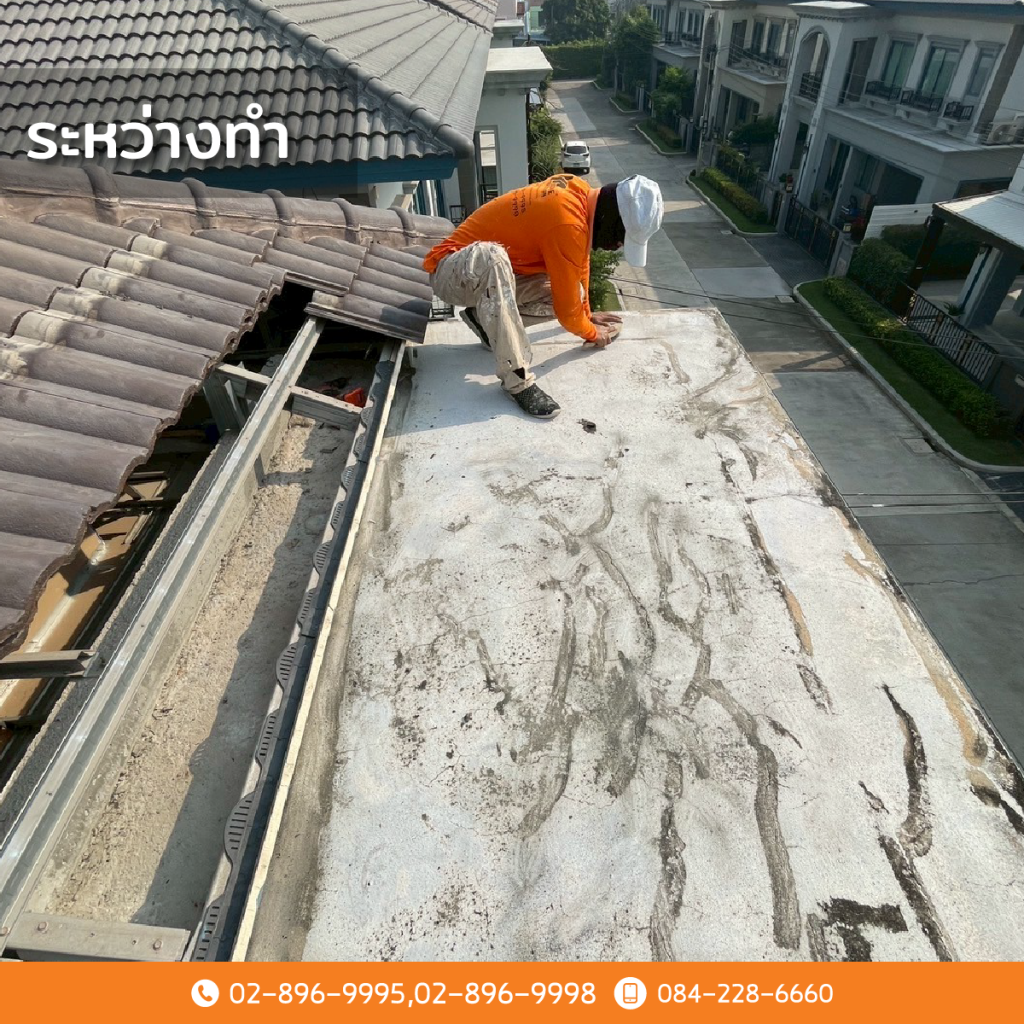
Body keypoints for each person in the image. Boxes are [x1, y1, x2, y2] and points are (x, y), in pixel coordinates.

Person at [422, 173, 664, 418]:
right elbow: (568, 315)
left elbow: (579, 266)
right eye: (620, 238)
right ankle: (517, 382)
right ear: (612, 218)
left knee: (570, 293)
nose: (616, 246)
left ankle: (482, 322)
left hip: (486, 280)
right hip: (450, 272)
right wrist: (592, 334)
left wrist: (587, 315)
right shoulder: (567, 222)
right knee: (492, 256)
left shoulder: (578, 193)